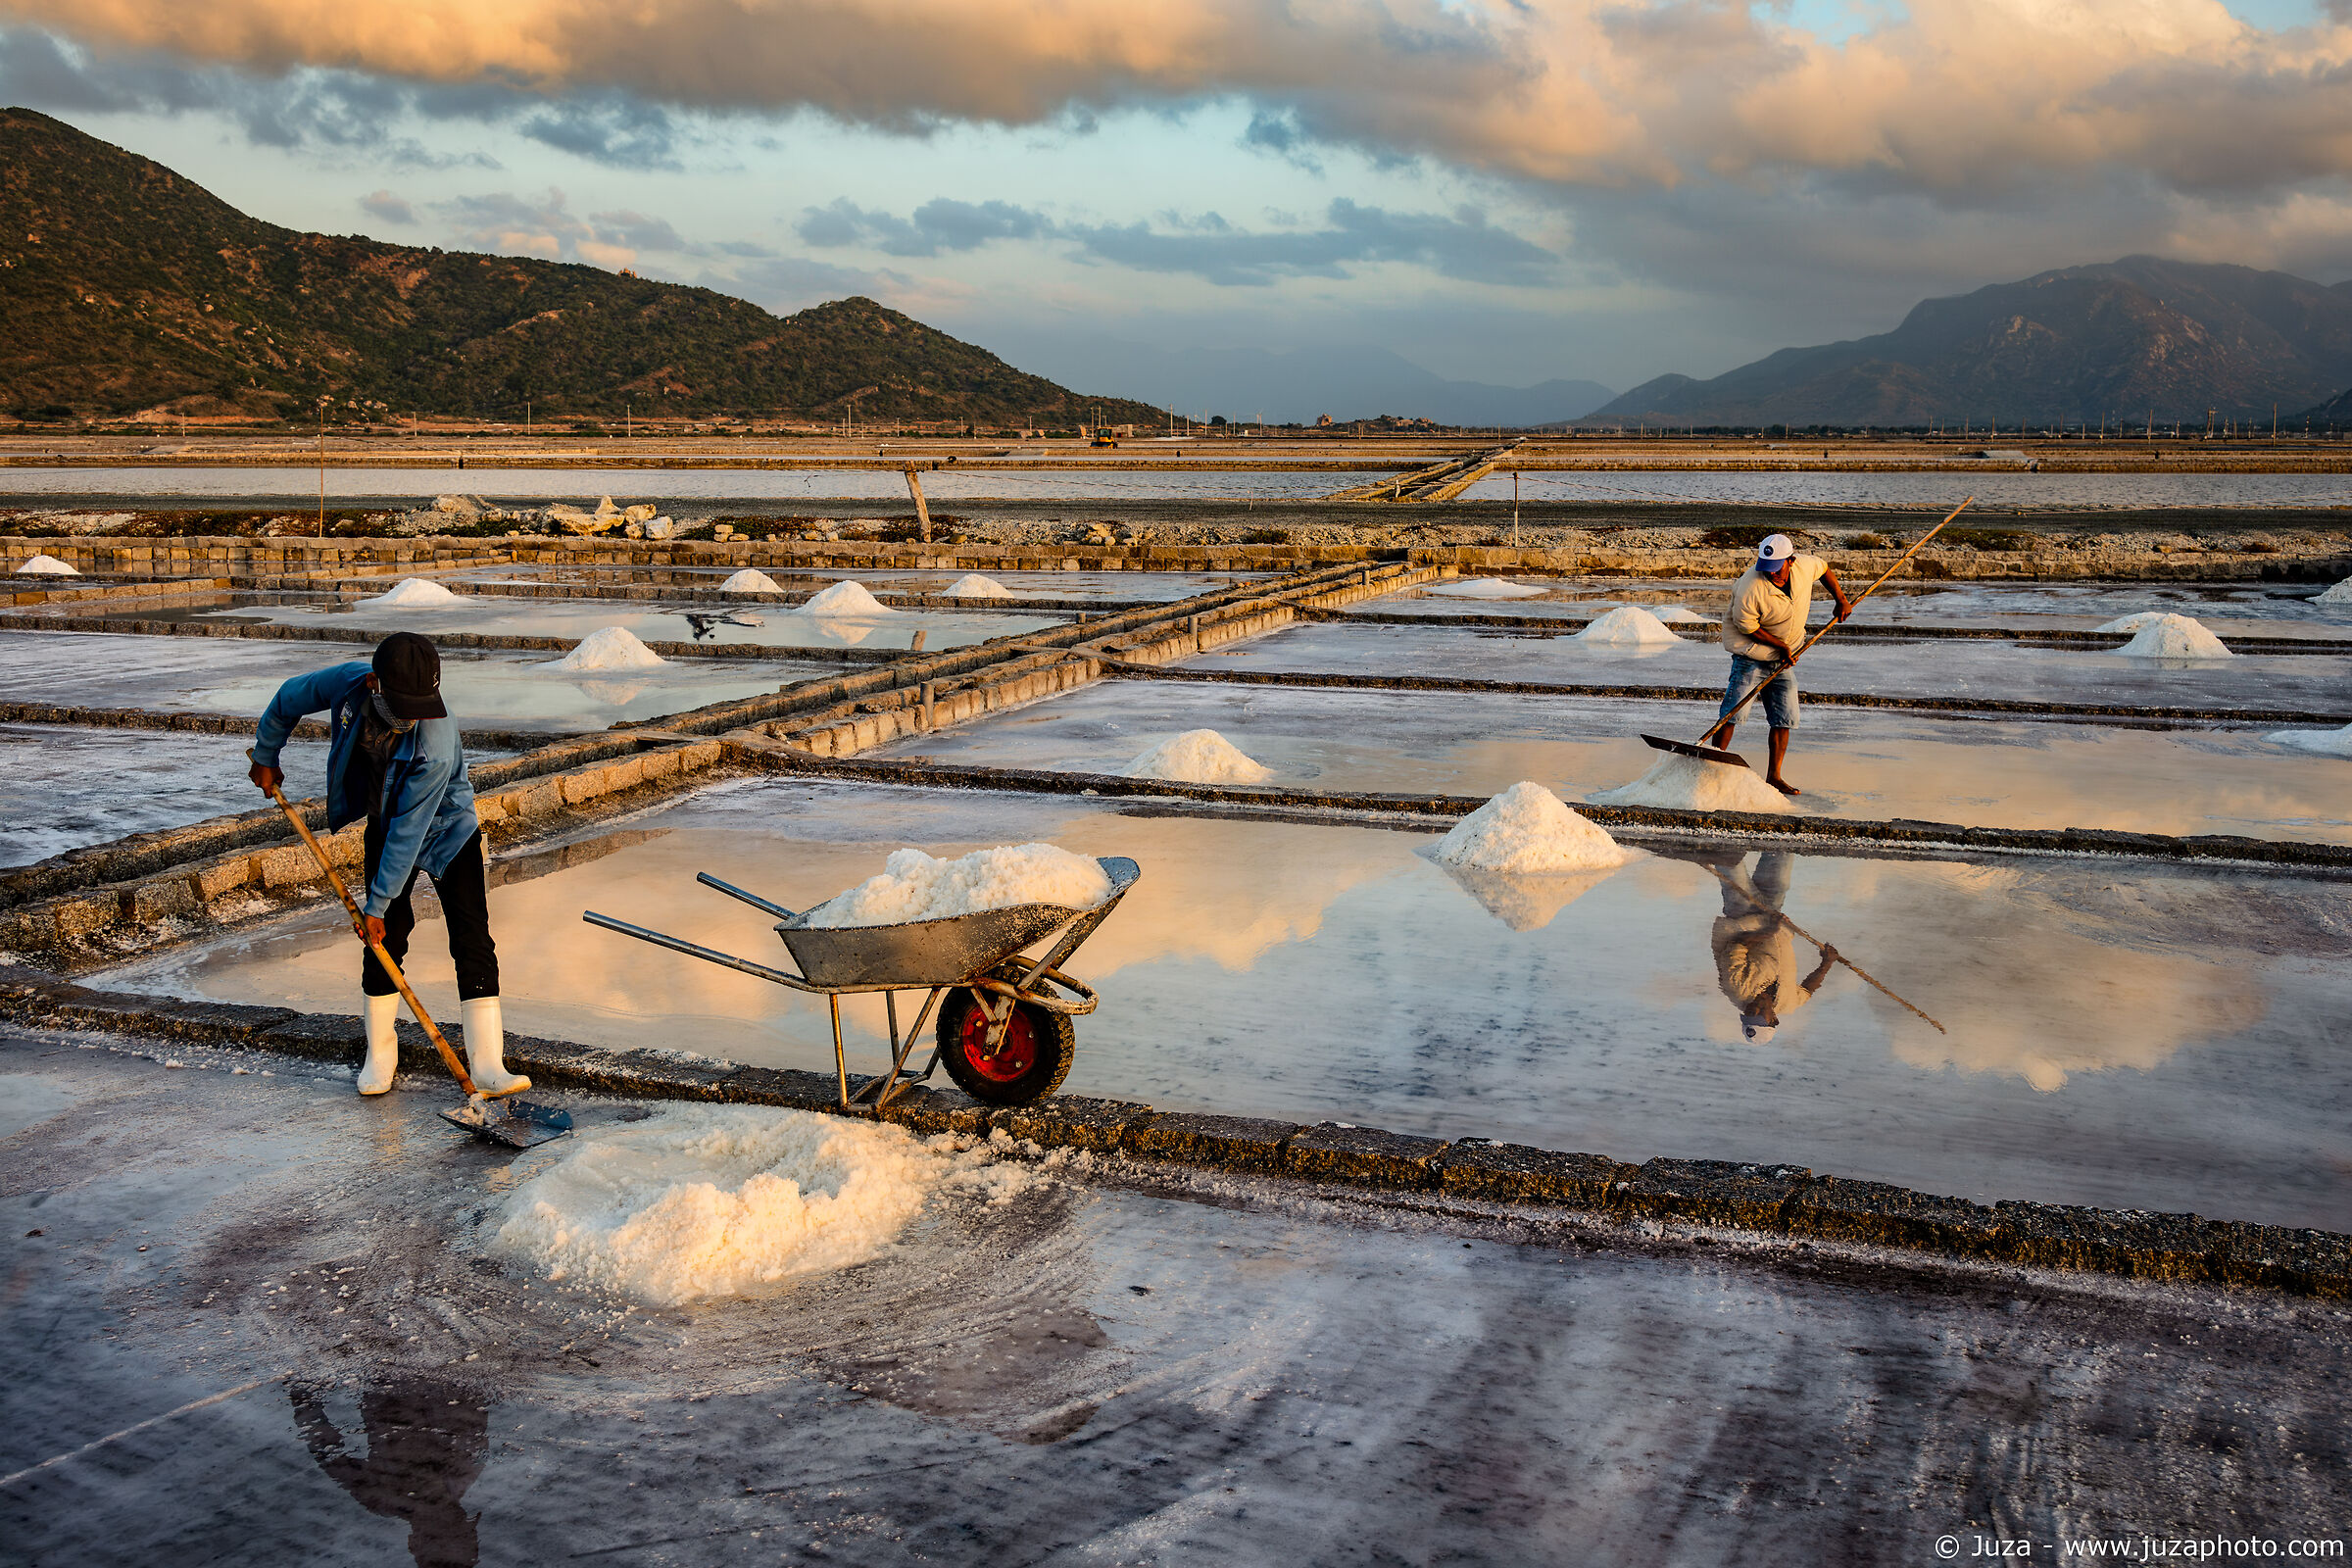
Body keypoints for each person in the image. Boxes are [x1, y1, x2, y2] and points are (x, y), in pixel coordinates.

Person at [247, 632, 527, 1099]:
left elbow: (409, 832)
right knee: (385, 937)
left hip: (446, 830)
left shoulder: (435, 742)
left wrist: (375, 902)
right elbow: (287, 699)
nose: (413, 714)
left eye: (422, 703)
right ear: (375, 683)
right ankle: (379, 1056)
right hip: (385, 823)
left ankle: (487, 1065)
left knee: (471, 935)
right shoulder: (348, 685)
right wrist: (266, 754)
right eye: (403, 702)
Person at [1705, 533, 1853, 796]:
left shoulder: (1804, 566)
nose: (1772, 574)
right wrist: (1782, 646)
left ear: (1791, 561)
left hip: (1782, 659)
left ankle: (1774, 776)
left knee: (1784, 717)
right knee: (1733, 712)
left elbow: (1824, 568)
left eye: (1777, 569)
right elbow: (1748, 627)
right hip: (1751, 653)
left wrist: (1840, 599)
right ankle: (1711, 767)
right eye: (1767, 569)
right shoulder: (1749, 586)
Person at [1709, 851, 1838, 1043]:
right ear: (1774, 1019)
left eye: (1749, 1015)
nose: (1754, 1010)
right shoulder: (1788, 1003)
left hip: (1742, 915)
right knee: (1782, 854)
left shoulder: (1736, 989)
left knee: (1728, 859)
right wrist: (1826, 964)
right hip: (1772, 914)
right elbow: (1807, 990)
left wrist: (1767, 932)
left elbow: (1737, 944)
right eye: (1760, 1016)